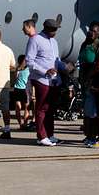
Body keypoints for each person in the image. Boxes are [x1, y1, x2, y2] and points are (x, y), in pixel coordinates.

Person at [25, 18, 69, 146]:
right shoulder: (35, 40)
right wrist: (45, 70)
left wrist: (64, 67)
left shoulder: (54, 42)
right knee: (42, 108)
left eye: (56, 30)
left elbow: (56, 59)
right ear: (46, 28)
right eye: (53, 30)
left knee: (50, 108)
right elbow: (29, 61)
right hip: (41, 79)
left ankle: (50, 134)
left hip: (54, 80)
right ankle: (41, 136)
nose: (55, 32)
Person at [77, 21, 99, 146]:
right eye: (90, 30)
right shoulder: (84, 44)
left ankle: (94, 135)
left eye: (94, 31)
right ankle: (88, 134)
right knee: (87, 111)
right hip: (84, 81)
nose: (91, 33)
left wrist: (90, 77)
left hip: (93, 83)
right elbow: (80, 60)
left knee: (93, 111)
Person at [11, 54, 30, 133]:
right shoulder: (28, 69)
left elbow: (15, 79)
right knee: (27, 108)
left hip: (17, 89)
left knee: (18, 107)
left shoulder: (17, 69)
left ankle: (20, 124)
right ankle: (25, 124)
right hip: (25, 90)